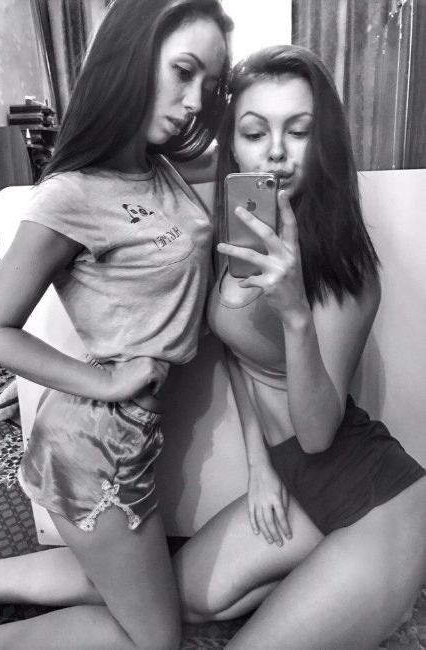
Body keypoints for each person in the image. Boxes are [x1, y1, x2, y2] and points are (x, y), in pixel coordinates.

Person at [0, 1, 230, 648]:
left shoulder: (155, 167)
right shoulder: (71, 194)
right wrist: (102, 382)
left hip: (127, 437)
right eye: (182, 71)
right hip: (94, 448)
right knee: (154, 639)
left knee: (122, 584)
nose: (193, 102)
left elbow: (230, 159)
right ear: (130, 57)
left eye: (207, 84)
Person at [172, 44, 426, 648]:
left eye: (299, 130)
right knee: (184, 597)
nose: (277, 152)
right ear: (234, 144)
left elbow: (317, 434)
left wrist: (294, 313)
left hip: (375, 500)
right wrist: (260, 466)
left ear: (323, 141)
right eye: (255, 132)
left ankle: (381, 583)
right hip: (296, 483)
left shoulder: (347, 269)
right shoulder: (239, 237)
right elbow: (237, 357)